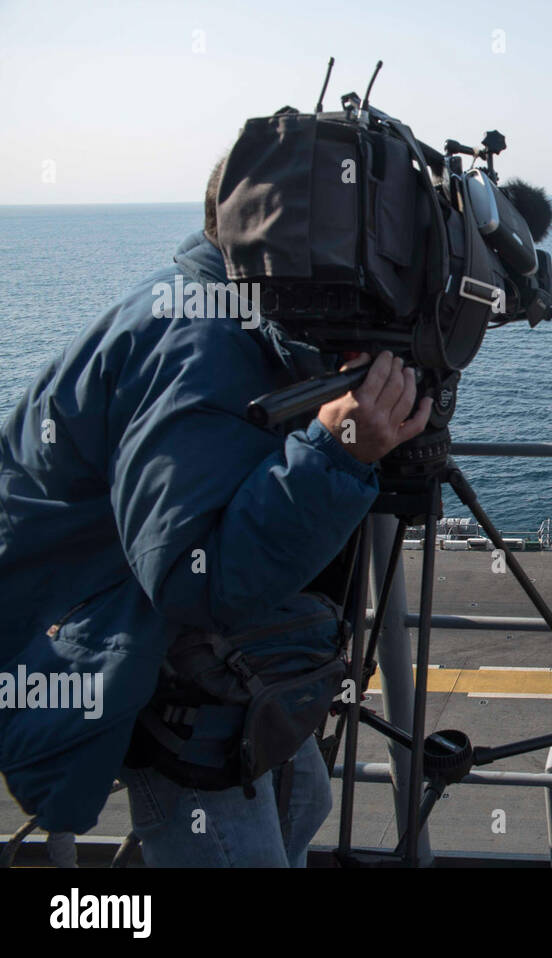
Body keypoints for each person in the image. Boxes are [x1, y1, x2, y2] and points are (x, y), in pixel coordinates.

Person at [0, 160, 432, 866]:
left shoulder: (226, 312)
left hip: (136, 613)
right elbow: (190, 580)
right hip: (111, 646)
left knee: (304, 799)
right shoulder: (196, 345)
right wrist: (339, 450)